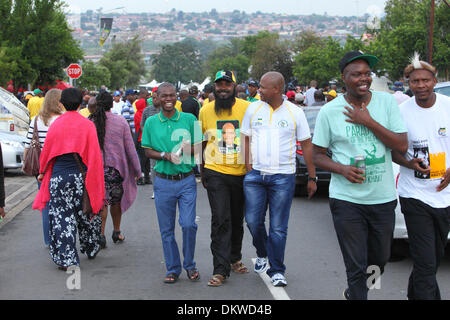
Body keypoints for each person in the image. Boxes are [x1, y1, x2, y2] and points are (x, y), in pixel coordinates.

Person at [312, 51, 408, 300]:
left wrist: (367, 121)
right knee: (355, 264)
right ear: (344, 77)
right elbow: (317, 155)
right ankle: (358, 293)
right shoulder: (330, 111)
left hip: (383, 197)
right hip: (347, 200)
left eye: (367, 74)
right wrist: (343, 169)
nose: (364, 79)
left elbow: (401, 145)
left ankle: (362, 290)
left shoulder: (386, 103)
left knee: (380, 259)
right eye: (357, 74)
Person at [241, 71, 316, 287]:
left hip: (283, 176)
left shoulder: (295, 112)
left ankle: (277, 270)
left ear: (276, 89)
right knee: (253, 222)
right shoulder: (253, 108)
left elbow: (306, 144)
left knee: (278, 228)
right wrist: (248, 164)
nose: (258, 90)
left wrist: (312, 176)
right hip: (255, 175)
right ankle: (263, 253)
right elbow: (245, 137)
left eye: (263, 87)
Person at [392, 56, 450, 300]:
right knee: (426, 262)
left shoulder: (448, 106)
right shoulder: (400, 112)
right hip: (414, 194)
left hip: (445, 195)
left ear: (434, 81)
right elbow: (393, 151)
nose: (421, 85)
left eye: (425, 80)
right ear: (409, 84)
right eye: (415, 81)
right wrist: (408, 162)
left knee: (433, 258)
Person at [32, 88, 105, 270]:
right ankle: (90, 246)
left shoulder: (55, 125)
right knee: (86, 212)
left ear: (61, 104)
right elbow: (94, 155)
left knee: (62, 217)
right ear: (81, 103)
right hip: (82, 176)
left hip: (59, 176)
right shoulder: (87, 125)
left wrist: (42, 171)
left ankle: (68, 258)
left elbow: (47, 153)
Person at [142, 82, 202, 284]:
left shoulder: (189, 118)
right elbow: (147, 150)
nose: (168, 99)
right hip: (163, 182)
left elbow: (199, 147)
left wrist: (187, 149)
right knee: (166, 230)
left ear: (177, 97)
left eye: (172, 95)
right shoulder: (151, 122)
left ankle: (190, 264)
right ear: (156, 98)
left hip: (186, 181)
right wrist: (164, 155)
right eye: (164, 96)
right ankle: (173, 268)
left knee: (188, 224)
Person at [199, 70, 251, 287]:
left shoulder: (247, 108)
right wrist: (202, 170)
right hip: (215, 170)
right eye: (219, 85)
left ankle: (234, 258)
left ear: (234, 87)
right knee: (221, 219)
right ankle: (220, 270)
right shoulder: (205, 110)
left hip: (241, 173)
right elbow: (201, 141)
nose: (222, 88)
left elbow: (252, 138)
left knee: (237, 218)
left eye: (226, 85)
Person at [89, 91, 141, 249]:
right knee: (115, 201)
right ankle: (116, 231)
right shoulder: (121, 122)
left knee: (102, 202)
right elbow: (130, 148)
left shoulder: (89, 122)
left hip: (96, 170)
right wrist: (137, 170)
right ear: (111, 104)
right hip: (116, 170)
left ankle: (101, 234)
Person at [23, 89, 64, 247]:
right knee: (60, 203)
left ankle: (48, 240)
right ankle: (60, 235)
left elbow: (28, 144)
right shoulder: (62, 119)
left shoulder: (35, 119)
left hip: (41, 166)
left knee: (45, 202)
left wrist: (25, 162)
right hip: (59, 164)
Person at [141, 88, 161, 195]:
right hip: (152, 144)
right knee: (153, 167)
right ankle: (155, 189)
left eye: (155, 97)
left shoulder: (165, 109)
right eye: (152, 98)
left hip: (163, 142)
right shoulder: (147, 110)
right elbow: (142, 126)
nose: (154, 100)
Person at [134, 97, 150, 185]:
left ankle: (147, 177)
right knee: (142, 161)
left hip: (144, 139)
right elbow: (142, 125)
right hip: (141, 139)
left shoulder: (142, 113)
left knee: (147, 161)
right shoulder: (139, 114)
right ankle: (140, 178)